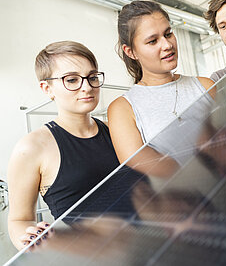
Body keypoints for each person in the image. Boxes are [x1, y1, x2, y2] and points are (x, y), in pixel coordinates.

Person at [7, 41, 140, 250]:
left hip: (149, 244)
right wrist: (29, 237)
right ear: (47, 88)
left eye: (92, 77)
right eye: (71, 80)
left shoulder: (115, 130)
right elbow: (19, 220)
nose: (87, 87)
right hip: (94, 257)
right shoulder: (32, 148)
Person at [108, 0, 215, 177]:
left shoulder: (206, 86)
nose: (167, 45)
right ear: (130, 52)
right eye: (152, 41)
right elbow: (147, 166)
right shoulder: (122, 109)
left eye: (168, 34)